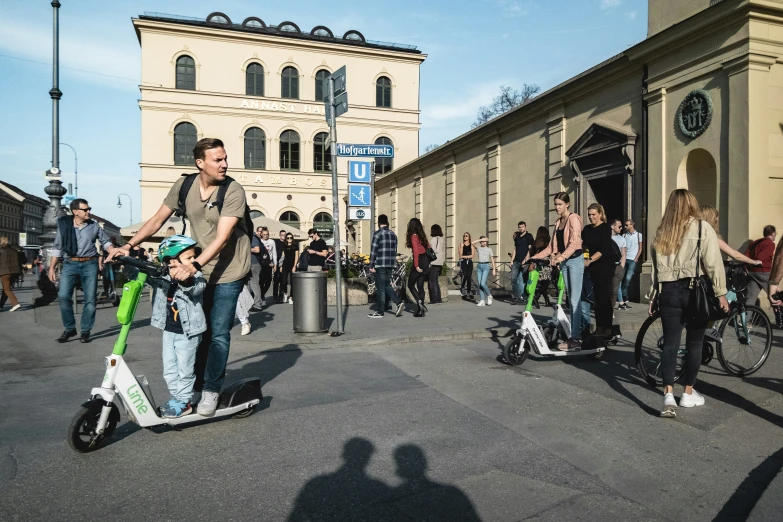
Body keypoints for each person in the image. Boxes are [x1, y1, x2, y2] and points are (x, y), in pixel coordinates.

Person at [108, 137, 251, 417]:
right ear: (200, 163)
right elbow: (157, 219)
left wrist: (194, 265)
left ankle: (210, 389)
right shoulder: (184, 185)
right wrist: (128, 244)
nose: (225, 164)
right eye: (217, 160)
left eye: (225, 158)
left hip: (228, 269)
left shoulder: (233, 191)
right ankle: (191, 388)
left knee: (218, 332)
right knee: (195, 330)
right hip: (193, 267)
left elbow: (222, 238)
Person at [651, 189, 729, 418]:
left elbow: (656, 270)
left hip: (668, 291)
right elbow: (713, 262)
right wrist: (721, 292)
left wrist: (654, 295)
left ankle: (667, 394)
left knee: (670, 344)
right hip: (694, 290)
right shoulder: (702, 227)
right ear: (691, 204)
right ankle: (687, 392)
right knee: (695, 343)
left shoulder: (662, 231)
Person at [147, 235, 206, 418]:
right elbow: (145, 277)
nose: (194, 261)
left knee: (185, 370)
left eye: (193, 257)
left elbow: (197, 288)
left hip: (188, 333)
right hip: (169, 331)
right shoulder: (162, 277)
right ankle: (177, 397)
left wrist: (185, 279)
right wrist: (126, 264)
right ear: (172, 260)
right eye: (189, 258)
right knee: (169, 370)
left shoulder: (195, 276)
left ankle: (184, 401)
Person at [50, 199, 116, 343]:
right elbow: (57, 247)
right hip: (70, 263)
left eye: (89, 209)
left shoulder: (94, 226)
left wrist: (111, 250)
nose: (88, 212)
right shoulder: (65, 226)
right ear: (75, 212)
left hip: (89, 264)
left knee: (90, 299)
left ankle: (85, 331)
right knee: (62, 296)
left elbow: (105, 241)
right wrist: (51, 268)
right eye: (85, 210)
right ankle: (70, 328)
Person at [532, 192, 584, 351]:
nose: (557, 207)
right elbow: (551, 247)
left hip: (574, 260)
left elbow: (574, 243)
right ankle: (574, 333)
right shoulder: (557, 223)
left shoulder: (573, 218)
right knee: (570, 300)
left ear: (567, 204)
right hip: (565, 262)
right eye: (555, 204)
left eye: (560, 204)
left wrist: (560, 258)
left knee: (575, 300)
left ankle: (575, 339)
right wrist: (533, 257)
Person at [581, 203, 616, 338]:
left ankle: (607, 327)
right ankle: (599, 326)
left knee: (604, 298)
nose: (591, 217)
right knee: (596, 299)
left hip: (605, 266)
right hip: (593, 268)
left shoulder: (605, 228)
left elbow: (604, 248)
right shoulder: (587, 229)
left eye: (594, 214)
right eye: (589, 215)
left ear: (600, 214)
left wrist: (589, 260)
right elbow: (579, 242)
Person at [367, 214, 404, 318]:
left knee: (381, 288)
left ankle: (380, 311)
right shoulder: (393, 235)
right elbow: (394, 250)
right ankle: (398, 302)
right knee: (386, 285)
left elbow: (373, 251)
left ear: (378, 223)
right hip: (391, 264)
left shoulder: (377, 234)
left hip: (380, 264)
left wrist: (371, 264)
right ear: (387, 223)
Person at [743, 225, 777, 306]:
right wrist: (758, 261)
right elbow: (760, 257)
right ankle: (780, 316)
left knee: (750, 298)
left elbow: (745, 256)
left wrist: (746, 266)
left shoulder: (754, 243)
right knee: (775, 295)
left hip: (753, 272)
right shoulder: (770, 244)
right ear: (773, 234)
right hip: (764, 272)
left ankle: (746, 318)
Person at [406, 218, 430, 318]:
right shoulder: (422, 236)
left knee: (410, 284)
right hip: (425, 260)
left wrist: (416, 265)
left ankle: (419, 302)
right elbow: (428, 246)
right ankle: (421, 310)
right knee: (420, 286)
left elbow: (416, 252)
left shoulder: (414, 236)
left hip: (419, 261)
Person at [618, 218, 643, 310]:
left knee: (628, 278)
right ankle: (624, 297)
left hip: (632, 259)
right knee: (621, 278)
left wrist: (636, 258)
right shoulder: (624, 235)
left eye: (627, 225)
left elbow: (640, 248)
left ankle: (623, 295)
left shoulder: (638, 235)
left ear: (632, 225)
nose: (625, 226)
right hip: (624, 259)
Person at [510, 221, 534, 304]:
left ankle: (524, 298)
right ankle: (516, 297)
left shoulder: (529, 236)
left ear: (525, 227)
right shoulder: (517, 238)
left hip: (525, 262)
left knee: (524, 280)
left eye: (522, 227)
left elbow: (530, 249)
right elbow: (515, 249)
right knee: (513, 279)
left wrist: (526, 260)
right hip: (516, 261)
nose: (521, 228)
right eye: (519, 227)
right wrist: (511, 260)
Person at [528, 226, 552, 308]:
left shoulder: (535, 242)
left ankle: (547, 301)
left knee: (542, 284)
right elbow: (550, 251)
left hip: (536, 263)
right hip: (545, 264)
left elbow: (531, 253)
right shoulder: (547, 241)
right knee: (546, 283)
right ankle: (536, 297)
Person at [472, 235, 497, 306]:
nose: (484, 243)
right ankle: (482, 300)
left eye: (485, 241)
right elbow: (472, 243)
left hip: (486, 266)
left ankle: (489, 295)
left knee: (483, 283)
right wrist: (480, 240)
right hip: (479, 266)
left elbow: (492, 259)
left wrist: (494, 269)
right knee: (480, 284)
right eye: (482, 241)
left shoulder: (489, 249)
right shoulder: (479, 248)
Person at [249, 226, 269, 310]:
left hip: (254, 264)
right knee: (248, 285)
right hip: (251, 264)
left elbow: (257, 250)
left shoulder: (253, 237)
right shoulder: (253, 237)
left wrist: (246, 249)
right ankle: (250, 303)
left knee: (254, 284)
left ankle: (257, 304)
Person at [0, 237, 22, 311]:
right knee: (6, 289)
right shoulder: (14, 250)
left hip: (4, 272)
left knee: (7, 289)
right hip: (14, 272)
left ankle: (15, 304)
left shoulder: (1, 250)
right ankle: (1, 305)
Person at [258, 227, 277, 306]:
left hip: (269, 263)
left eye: (267, 234)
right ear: (261, 234)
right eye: (264, 234)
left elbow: (274, 252)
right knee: (261, 281)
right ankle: (261, 297)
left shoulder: (272, 241)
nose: (266, 236)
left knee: (268, 281)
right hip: (261, 263)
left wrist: (275, 264)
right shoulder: (260, 241)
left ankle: (262, 294)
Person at [610, 219, 627, 311]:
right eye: (619, 226)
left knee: (614, 291)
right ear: (613, 226)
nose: (621, 228)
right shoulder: (605, 237)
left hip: (617, 267)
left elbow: (624, 254)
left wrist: (621, 267)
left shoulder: (622, 239)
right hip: (606, 267)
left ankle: (610, 310)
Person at [428, 224, 445, 304]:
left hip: (434, 262)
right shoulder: (441, 239)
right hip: (440, 262)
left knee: (432, 281)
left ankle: (435, 299)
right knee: (436, 281)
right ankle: (439, 298)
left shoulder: (434, 239)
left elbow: (433, 250)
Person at [280, 233, 299, 304]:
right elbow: (283, 256)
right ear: (286, 239)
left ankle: (291, 297)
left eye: (290, 238)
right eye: (287, 238)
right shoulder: (284, 245)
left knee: (292, 282)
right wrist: (281, 265)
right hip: (285, 264)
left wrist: (294, 266)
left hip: (292, 265)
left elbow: (297, 256)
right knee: (284, 281)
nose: (289, 239)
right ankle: (285, 293)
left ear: (292, 238)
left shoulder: (295, 246)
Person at [459, 232, 475, 300]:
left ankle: (468, 293)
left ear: (469, 237)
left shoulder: (471, 245)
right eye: (464, 236)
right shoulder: (460, 244)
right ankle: (462, 287)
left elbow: (472, 255)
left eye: (466, 236)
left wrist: (464, 256)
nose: (465, 237)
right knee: (465, 275)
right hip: (463, 262)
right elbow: (460, 255)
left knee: (469, 277)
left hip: (470, 262)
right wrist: (462, 247)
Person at [272, 229, 286, 303]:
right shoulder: (276, 242)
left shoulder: (287, 243)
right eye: (282, 235)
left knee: (283, 281)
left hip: (284, 265)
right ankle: (275, 296)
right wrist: (274, 264)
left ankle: (281, 297)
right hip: (276, 264)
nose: (283, 236)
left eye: (284, 235)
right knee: (276, 281)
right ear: (279, 235)